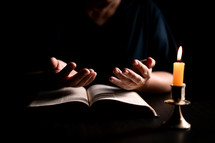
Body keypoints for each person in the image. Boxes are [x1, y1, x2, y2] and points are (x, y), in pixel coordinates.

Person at [22, 0, 177, 99]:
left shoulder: (145, 10)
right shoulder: (50, 12)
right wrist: (51, 77)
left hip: (132, 117)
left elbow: (172, 76)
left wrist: (143, 83)